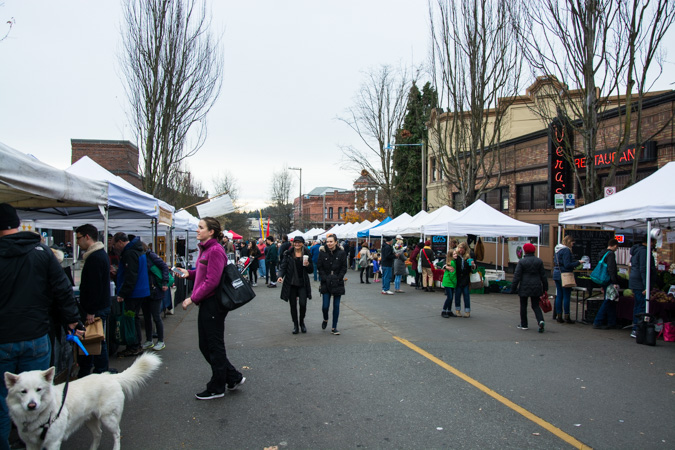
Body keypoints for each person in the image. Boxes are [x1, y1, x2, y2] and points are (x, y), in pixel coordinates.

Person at [0, 204, 82, 449]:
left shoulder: (40, 252)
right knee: (39, 394)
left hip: (3, 338)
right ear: (17, 223)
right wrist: (72, 322)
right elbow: (62, 290)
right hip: (36, 337)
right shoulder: (42, 252)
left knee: (3, 400)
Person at [177, 217, 245, 400]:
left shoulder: (214, 250)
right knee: (207, 345)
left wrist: (192, 298)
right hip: (208, 303)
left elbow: (212, 281)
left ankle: (217, 386)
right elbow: (202, 274)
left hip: (213, 304)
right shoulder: (206, 249)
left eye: (200, 227)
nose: (197, 230)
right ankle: (232, 377)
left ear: (211, 232)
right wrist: (188, 274)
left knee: (213, 345)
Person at [75, 224, 113, 377]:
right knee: (96, 338)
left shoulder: (95, 257)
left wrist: (90, 310)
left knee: (96, 338)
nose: (77, 242)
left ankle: (100, 370)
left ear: (87, 237)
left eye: (78, 238)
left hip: (95, 308)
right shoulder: (99, 255)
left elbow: (94, 286)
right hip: (99, 305)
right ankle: (98, 369)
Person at [113, 232, 151, 357]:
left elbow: (131, 275)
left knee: (130, 318)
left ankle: (134, 345)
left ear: (120, 242)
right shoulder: (137, 250)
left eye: (114, 244)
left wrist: (123, 293)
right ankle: (136, 344)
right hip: (140, 291)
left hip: (134, 293)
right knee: (133, 318)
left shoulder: (130, 253)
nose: (114, 248)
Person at [277, 236, 314, 334]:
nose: (297, 244)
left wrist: (308, 265)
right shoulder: (288, 254)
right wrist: (280, 276)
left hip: (303, 283)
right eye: (295, 242)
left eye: (299, 242)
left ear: (302, 243)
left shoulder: (306, 253)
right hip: (291, 283)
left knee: (303, 304)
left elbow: (311, 270)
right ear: (293, 243)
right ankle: (295, 325)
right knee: (293, 305)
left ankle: (302, 322)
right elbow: (283, 266)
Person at [511, 243, 548, 332]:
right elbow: (543, 275)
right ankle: (540, 320)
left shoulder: (522, 262)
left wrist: (513, 287)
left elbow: (517, 276)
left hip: (524, 286)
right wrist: (545, 288)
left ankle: (524, 324)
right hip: (536, 285)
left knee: (523, 305)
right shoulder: (539, 261)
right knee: (535, 305)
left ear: (525, 251)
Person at [317, 234, 347, 335]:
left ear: (335, 242)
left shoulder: (341, 253)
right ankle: (325, 319)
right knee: (325, 306)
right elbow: (319, 267)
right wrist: (324, 277)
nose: (329, 243)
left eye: (331, 241)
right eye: (327, 241)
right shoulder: (322, 253)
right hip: (326, 281)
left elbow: (344, 267)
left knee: (336, 305)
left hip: (337, 281)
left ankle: (334, 327)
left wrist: (339, 277)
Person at [141, 242, 169, 351]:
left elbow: (164, 267)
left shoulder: (151, 256)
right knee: (147, 316)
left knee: (156, 316)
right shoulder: (144, 256)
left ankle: (161, 341)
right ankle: (149, 340)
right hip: (146, 290)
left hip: (155, 290)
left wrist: (164, 282)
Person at [629, 237, 657, 338]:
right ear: (650, 242)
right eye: (654, 243)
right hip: (640, 282)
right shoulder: (644, 252)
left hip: (635, 281)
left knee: (638, 305)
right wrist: (646, 285)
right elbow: (643, 269)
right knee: (641, 306)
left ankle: (636, 327)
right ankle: (637, 329)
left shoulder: (637, 250)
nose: (654, 245)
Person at [553, 235, 583, 324]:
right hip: (565, 274)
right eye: (572, 243)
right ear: (569, 242)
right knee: (566, 295)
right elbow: (567, 264)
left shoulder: (557, 249)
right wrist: (578, 262)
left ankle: (559, 316)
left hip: (556, 273)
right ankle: (567, 316)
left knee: (559, 295)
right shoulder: (566, 250)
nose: (573, 245)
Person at [593, 239, 620, 330]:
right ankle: (598, 321)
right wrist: (615, 282)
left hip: (603, 280)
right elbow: (611, 269)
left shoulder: (602, 253)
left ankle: (612, 322)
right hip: (608, 280)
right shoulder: (611, 254)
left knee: (610, 300)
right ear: (615, 246)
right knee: (608, 300)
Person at [455, 242, 476, 318]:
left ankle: (467, 311)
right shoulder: (456, 256)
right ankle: (457, 310)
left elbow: (474, 268)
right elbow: (448, 261)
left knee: (466, 295)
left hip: (466, 278)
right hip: (458, 278)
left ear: (465, 249)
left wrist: (473, 265)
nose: (461, 250)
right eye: (460, 248)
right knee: (457, 295)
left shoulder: (469, 256)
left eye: (462, 249)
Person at [441, 250, 458, 317]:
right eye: (454, 254)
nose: (456, 255)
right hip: (449, 282)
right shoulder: (452, 263)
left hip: (448, 281)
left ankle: (449, 310)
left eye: (456, 253)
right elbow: (452, 274)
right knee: (450, 297)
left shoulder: (451, 262)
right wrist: (455, 282)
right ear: (451, 256)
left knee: (450, 297)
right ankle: (444, 310)